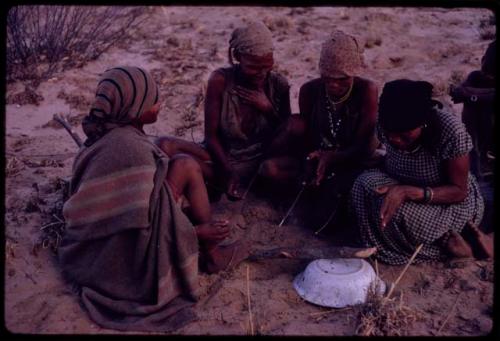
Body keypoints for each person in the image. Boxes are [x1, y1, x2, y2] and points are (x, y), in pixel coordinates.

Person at [58, 66, 248, 332]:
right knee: (185, 167)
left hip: (93, 242)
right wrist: (194, 234)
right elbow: (141, 224)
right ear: (134, 109)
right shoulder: (131, 149)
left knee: (182, 164)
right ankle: (211, 251)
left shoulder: (107, 136)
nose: (159, 104)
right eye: (153, 99)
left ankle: (210, 251)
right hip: (121, 256)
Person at [351, 79, 493, 265]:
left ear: (424, 124)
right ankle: (393, 241)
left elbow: (459, 191)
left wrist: (409, 192)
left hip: (445, 203)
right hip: (400, 181)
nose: (395, 140)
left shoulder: (450, 132)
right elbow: (375, 151)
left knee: (399, 212)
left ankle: (453, 246)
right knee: (363, 184)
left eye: (404, 135)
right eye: (390, 133)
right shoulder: (385, 122)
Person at [155, 21, 292, 201]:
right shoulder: (220, 81)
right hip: (223, 159)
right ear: (237, 57)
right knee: (164, 145)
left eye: (267, 66)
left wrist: (267, 108)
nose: (262, 73)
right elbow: (211, 137)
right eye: (253, 67)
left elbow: (288, 132)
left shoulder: (278, 85)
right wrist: (227, 171)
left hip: (260, 163)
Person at [261, 30, 380, 230]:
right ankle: (301, 196)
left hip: (352, 161)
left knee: (331, 214)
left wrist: (332, 158)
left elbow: (363, 147)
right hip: (320, 161)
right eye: (327, 77)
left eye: (342, 79)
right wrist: (312, 161)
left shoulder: (367, 90)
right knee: (269, 168)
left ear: (353, 73)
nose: (333, 84)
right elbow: (308, 140)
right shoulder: (310, 90)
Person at [449, 40, 495, 180]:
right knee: (472, 106)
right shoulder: (476, 77)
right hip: (479, 134)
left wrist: (471, 94)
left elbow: (462, 92)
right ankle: (475, 159)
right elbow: (458, 93)